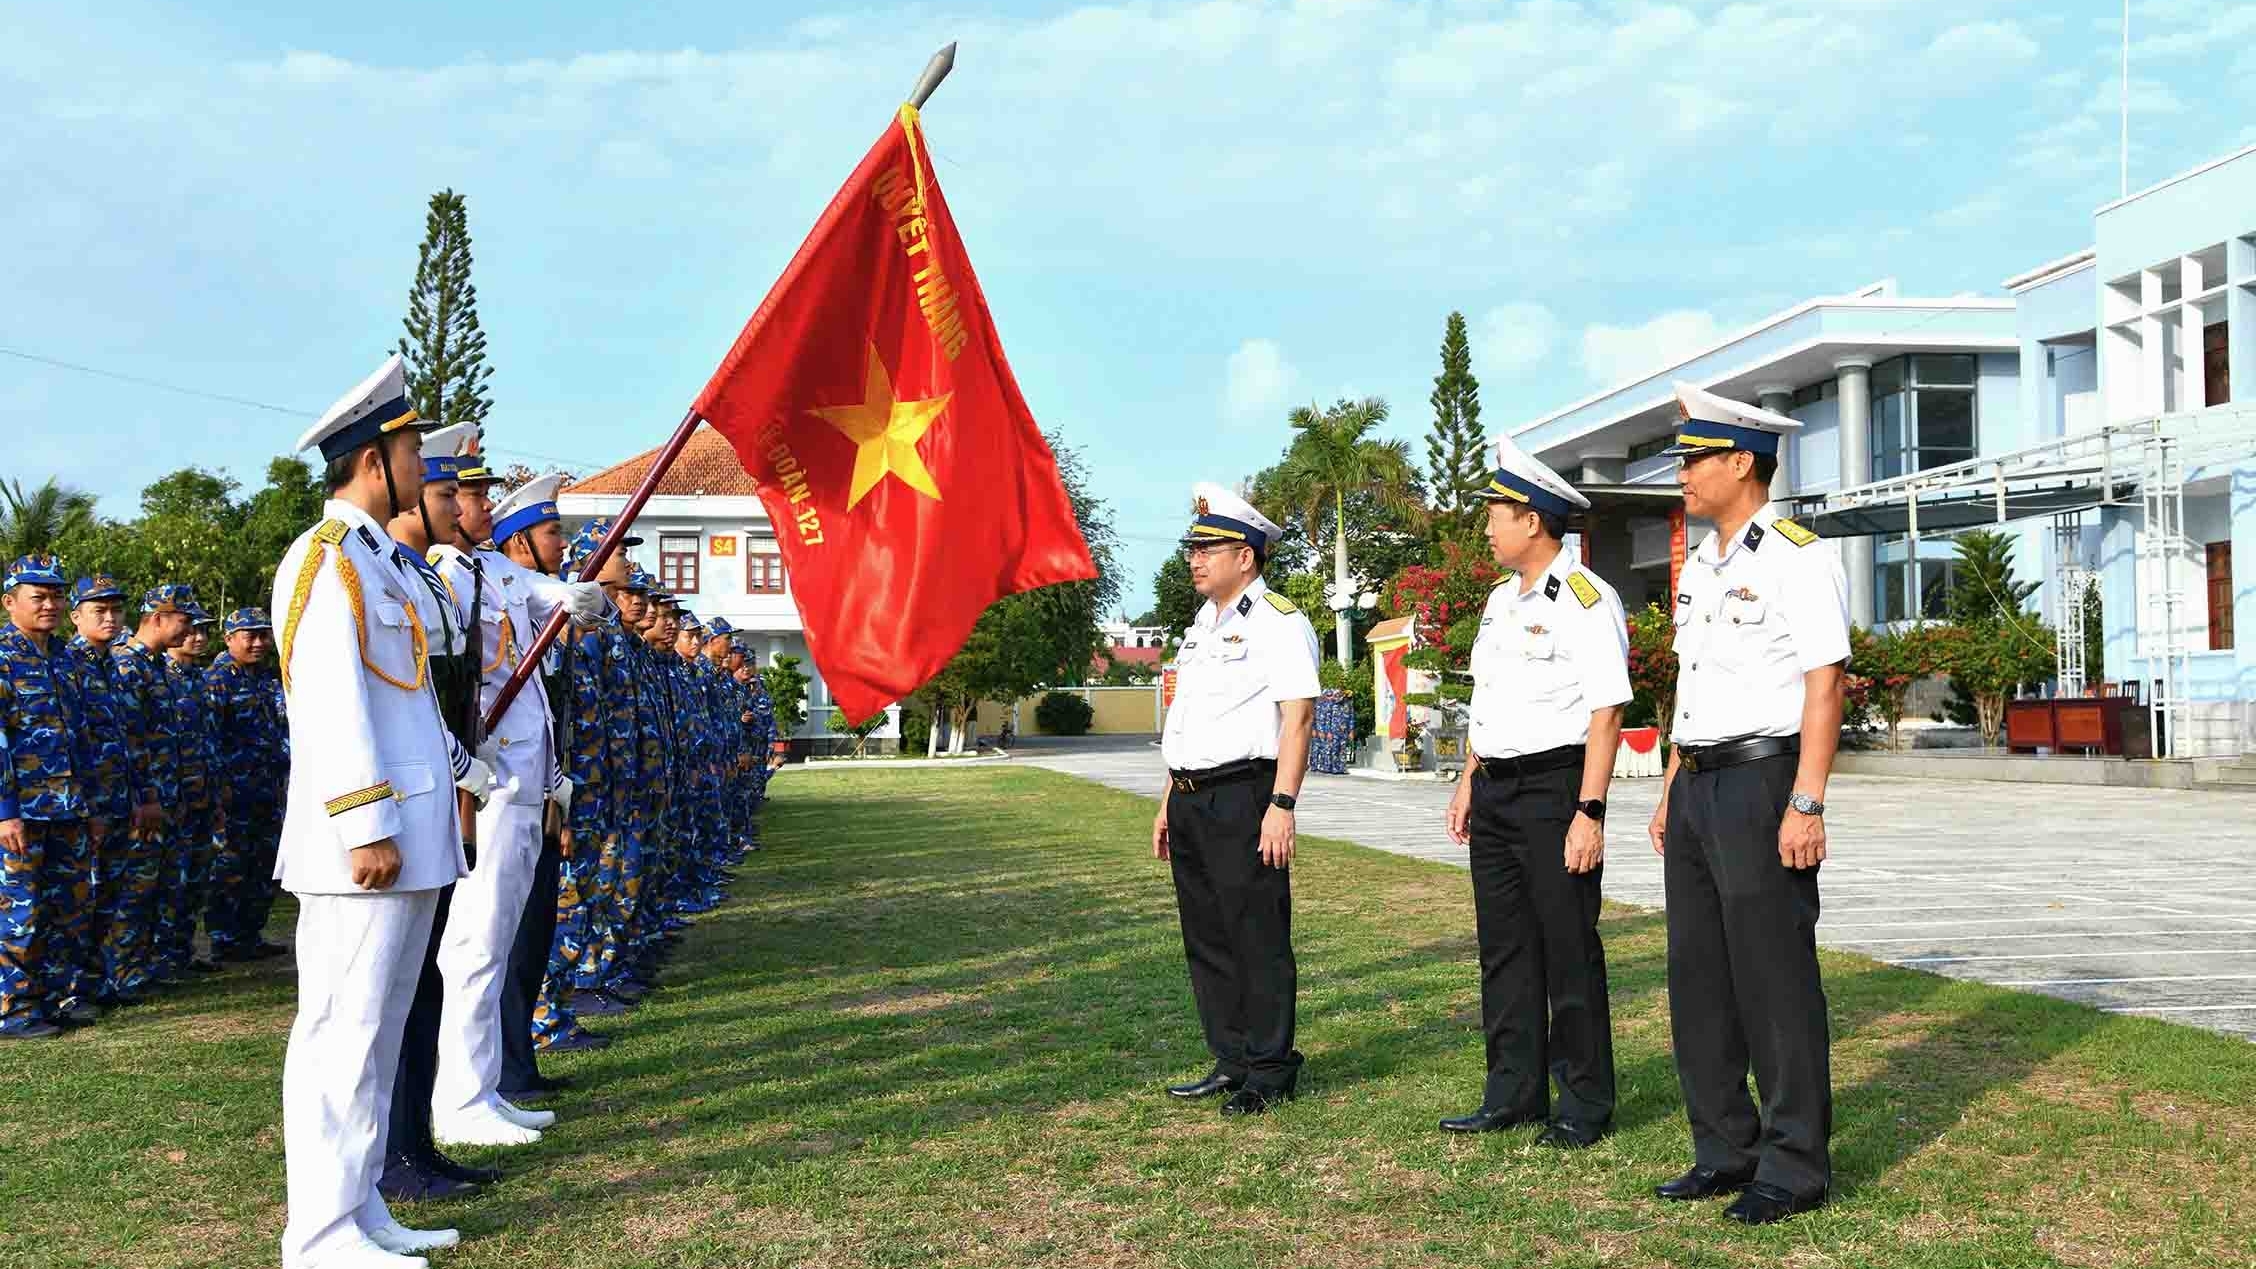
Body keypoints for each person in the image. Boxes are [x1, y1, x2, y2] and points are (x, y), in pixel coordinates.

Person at [271, 354, 491, 1267]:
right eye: (409, 449)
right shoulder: (323, 560)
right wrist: (365, 823)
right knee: (340, 1033)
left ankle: (358, 1207)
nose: (420, 467)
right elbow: (327, 700)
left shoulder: (376, 560)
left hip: (410, 831)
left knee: (377, 1032)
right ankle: (318, 1234)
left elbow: (406, 697)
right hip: (363, 846)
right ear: (375, 458)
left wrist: (460, 776)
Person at [1647, 382, 1848, 1226]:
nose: (1683, 475)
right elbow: (1692, 688)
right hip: (1696, 782)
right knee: (1699, 975)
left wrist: (1806, 799)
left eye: (1695, 459)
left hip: (1763, 781)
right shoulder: (1701, 565)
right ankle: (1723, 1147)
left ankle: (1795, 1161)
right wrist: (1668, 789)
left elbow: (1825, 680)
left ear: (1741, 462)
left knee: (1773, 975)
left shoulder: (1797, 555)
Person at [1440, 436, 1630, 1147]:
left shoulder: (1586, 599)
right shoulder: (1497, 603)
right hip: (1496, 790)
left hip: (1557, 788)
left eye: (1496, 511)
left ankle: (1583, 1102)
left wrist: (1590, 811)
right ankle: (1510, 1091)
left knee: (1567, 947)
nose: (1487, 525)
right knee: (1505, 948)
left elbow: (1607, 711)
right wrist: (1467, 779)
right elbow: (1490, 701)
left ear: (1534, 520)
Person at [431, 470, 598, 1150]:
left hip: (525, 784)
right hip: (490, 785)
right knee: (474, 945)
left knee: (496, 945)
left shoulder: (494, 571)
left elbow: (548, 593)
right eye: (469, 493)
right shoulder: (445, 573)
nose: (479, 504)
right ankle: (461, 1097)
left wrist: (575, 595)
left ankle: (486, 1085)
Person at [370, 419, 506, 1202]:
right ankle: (394, 1155)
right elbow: (410, 709)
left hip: (447, 804)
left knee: (424, 989)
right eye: (447, 488)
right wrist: (463, 774)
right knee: (398, 991)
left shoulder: (431, 581)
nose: (460, 504)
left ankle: (418, 1143)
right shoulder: (385, 576)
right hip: (419, 805)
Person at [1153, 483, 1320, 1116]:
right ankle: (1232, 1058)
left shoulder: (1278, 621)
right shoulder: (1202, 624)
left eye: (1208, 548)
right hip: (1193, 797)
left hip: (1247, 795)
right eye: (1192, 549)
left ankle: (1272, 1069)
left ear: (1245, 556)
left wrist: (1283, 804)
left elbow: (1298, 718)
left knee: (1256, 933)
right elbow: (1191, 722)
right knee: (1208, 935)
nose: (1194, 559)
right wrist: (1170, 798)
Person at [0, 554, 99, 1038]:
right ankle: (13, 1010)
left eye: (57, 595)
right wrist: (6, 813)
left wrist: (91, 805)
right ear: (9, 602)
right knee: (20, 913)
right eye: (38, 597)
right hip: (22, 813)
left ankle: (58, 997)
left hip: (70, 808)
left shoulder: (64, 657)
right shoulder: (2, 656)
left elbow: (80, 736)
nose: (51, 604)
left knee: (70, 907)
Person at [64, 572, 147, 1007]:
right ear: (76, 617)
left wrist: (135, 797)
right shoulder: (68, 664)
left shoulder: (111, 665)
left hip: (115, 801)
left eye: (116, 609)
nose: (111, 617)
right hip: (82, 806)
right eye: (99, 610)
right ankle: (71, 989)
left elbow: (123, 739)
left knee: (110, 895)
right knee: (80, 897)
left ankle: (97, 982)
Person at [108, 584, 191, 996]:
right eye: (183, 619)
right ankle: (123, 973)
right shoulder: (128, 665)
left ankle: (145, 964)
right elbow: (129, 738)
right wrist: (145, 796)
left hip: (166, 795)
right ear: (157, 618)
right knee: (135, 887)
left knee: (158, 884)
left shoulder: (157, 666)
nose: (188, 628)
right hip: (143, 799)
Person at [205, 608, 289, 962]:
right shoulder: (218, 680)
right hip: (234, 793)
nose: (257, 643)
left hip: (267, 788)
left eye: (263, 635)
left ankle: (250, 934)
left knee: (263, 864)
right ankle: (224, 938)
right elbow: (209, 737)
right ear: (229, 639)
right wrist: (218, 787)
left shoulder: (267, 679)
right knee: (230, 867)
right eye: (248, 636)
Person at [158, 600, 225, 979]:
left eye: (202, 630)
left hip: (202, 794)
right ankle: (162, 959)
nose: (196, 637)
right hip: (173, 797)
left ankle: (181, 953)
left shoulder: (197, 678)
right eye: (190, 628)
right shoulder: (159, 675)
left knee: (195, 879)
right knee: (170, 881)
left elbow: (207, 740)